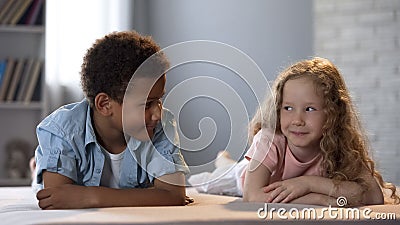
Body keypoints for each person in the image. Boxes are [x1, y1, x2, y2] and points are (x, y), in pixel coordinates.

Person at [189, 57, 399, 206]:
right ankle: (224, 162)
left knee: (233, 166)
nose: (297, 120)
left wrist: (307, 183)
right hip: (244, 178)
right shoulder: (270, 139)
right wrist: (318, 198)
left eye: (310, 109)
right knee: (211, 180)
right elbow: (252, 196)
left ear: (333, 114)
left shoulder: (338, 145)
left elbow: (373, 196)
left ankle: (226, 160)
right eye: (288, 108)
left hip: (277, 181)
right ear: (278, 108)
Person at [32, 31, 190, 209]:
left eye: (159, 100)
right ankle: (38, 165)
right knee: (42, 173)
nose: (157, 114)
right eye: (146, 105)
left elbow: (174, 195)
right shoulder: (61, 129)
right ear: (105, 104)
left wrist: (91, 196)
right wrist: (153, 194)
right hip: (61, 147)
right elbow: (55, 197)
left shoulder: (159, 125)